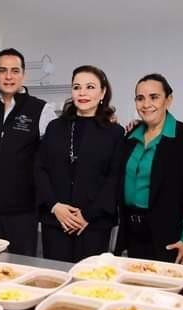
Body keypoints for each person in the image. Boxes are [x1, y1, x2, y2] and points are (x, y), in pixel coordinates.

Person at [35, 65, 123, 262]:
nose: (82, 92)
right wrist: (55, 206)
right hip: (56, 220)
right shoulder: (55, 127)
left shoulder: (115, 132)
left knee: (90, 284)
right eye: (77, 87)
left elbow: (114, 179)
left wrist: (87, 215)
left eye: (90, 87)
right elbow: (40, 169)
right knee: (56, 278)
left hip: (94, 224)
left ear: (103, 92)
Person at [0, 48, 57, 255]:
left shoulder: (41, 109)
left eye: (15, 70)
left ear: (23, 75)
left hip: (23, 211)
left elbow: (51, 159)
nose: (8, 76)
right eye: (2, 70)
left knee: (21, 267)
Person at [115, 74, 183, 265]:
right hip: (132, 232)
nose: (146, 104)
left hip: (168, 235)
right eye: (140, 98)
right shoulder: (130, 136)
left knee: (165, 291)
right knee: (134, 289)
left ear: (168, 100)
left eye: (154, 97)